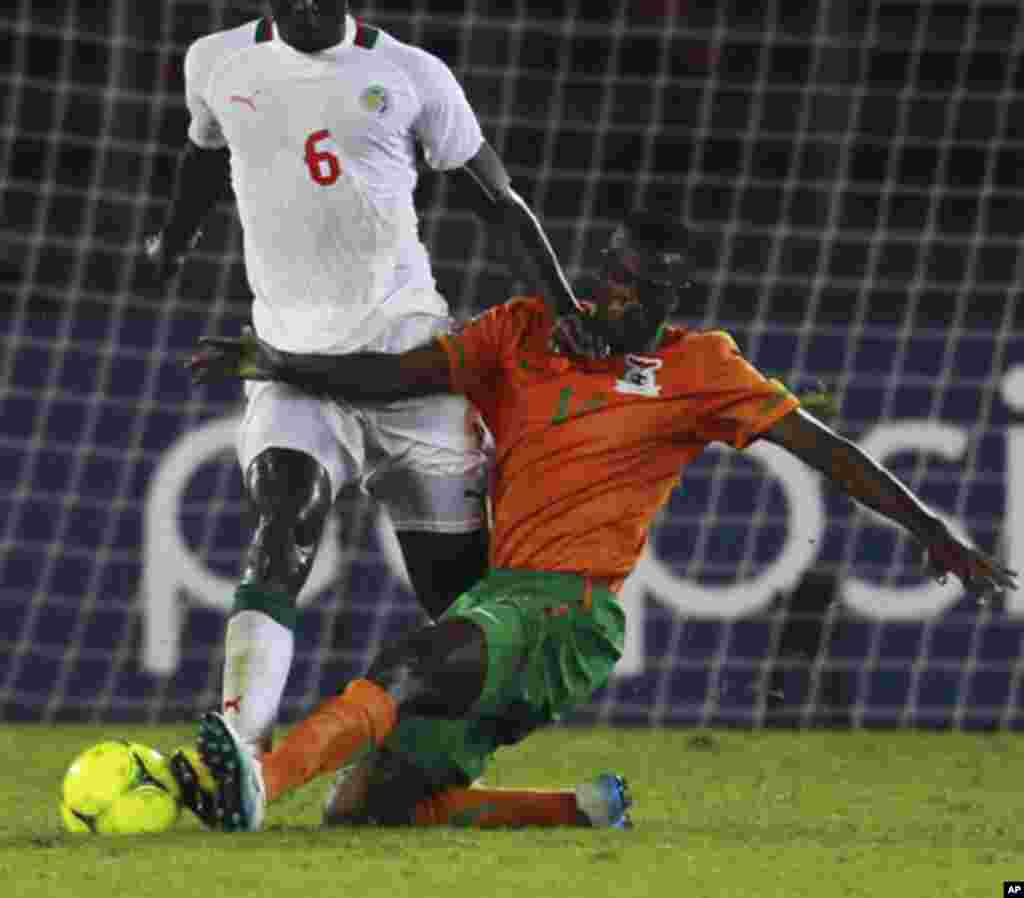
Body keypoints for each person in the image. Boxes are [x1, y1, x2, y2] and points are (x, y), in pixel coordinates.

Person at [184, 208, 1016, 832]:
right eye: (610, 276)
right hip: (504, 598)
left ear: (671, 295)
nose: (617, 296)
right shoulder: (524, 331)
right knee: (364, 809)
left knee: (417, 659)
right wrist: (279, 362)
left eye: (641, 286)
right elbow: (400, 374)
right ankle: (574, 809)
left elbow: (824, 448)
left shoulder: (702, 365)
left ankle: (257, 780)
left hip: (570, 611)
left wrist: (930, 528)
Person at [144, 0, 606, 778]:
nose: (301, 8)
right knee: (287, 514)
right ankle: (241, 741)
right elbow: (207, 152)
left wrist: (566, 305)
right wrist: (175, 236)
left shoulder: (412, 76)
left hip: (411, 369)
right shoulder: (217, 62)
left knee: (460, 604)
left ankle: (438, 761)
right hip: (291, 367)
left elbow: (497, 200)